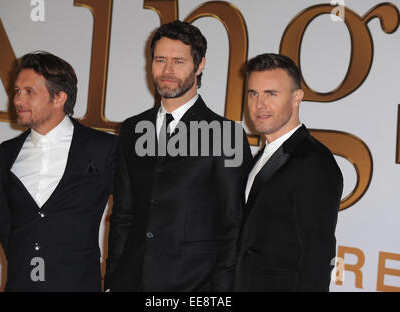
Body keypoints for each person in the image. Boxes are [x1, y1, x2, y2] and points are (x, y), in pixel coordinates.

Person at [104, 20, 252, 291]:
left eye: (178, 61)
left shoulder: (225, 135)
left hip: (193, 286)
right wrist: (113, 279)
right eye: (160, 60)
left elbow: (234, 226)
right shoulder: (133, 129)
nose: (167, 71)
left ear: (200, 65)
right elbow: (123, 213)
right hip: (131, 282)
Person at [0, 51, 117, 291]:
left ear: (59, 98)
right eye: (17, 91)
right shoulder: (6, 152)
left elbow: (127, 217)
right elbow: (6, 226)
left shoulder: (102, 148)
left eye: (29, 92)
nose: (18, 100)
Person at [234, 53, 343, 291]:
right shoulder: (262, 157)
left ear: (297, 98)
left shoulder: (313, 162)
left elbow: (317, 254)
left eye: (271, 94)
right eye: (253, 94)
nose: (259, 104)